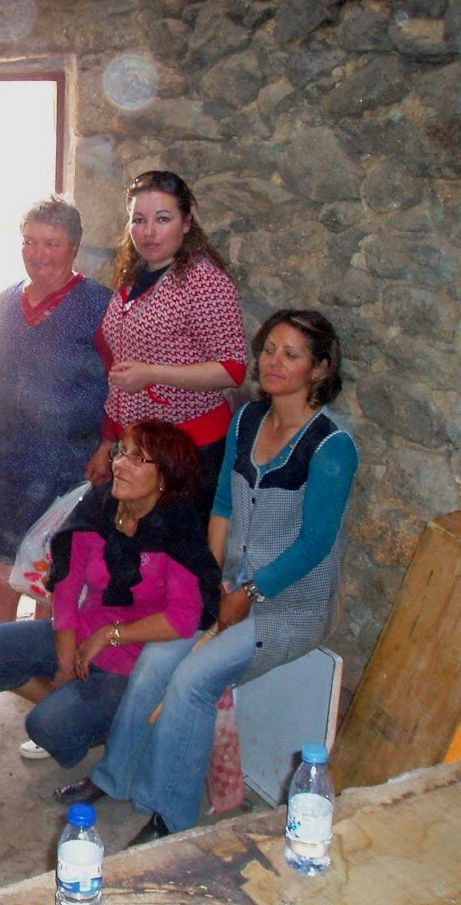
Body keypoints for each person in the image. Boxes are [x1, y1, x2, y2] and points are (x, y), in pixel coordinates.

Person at [64, 310, 359, 847]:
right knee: (155, 663)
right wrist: (212, 581)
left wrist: (249, 592)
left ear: (320, 368)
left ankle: (170, 813)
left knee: (192, 682)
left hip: (289, 604)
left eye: (291, 354)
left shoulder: (332, 446)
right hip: (231, 588)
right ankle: (114, 775)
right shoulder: (247, 420)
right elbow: (223, 502)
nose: (273, 362)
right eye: (269, 349)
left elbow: (315, 544)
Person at [0, 420, 220, 772]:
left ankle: (102, 722)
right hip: (82, 633)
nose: (119, 464)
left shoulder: (177, 530)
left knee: (45, 727)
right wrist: (66, 661)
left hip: (130, 661)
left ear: (164, 476)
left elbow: (183, 618)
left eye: (137, 458)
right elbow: (66, 587)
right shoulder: (99, 509)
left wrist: (109, 635)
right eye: (121, 452)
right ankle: (82, 716)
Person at [0, 197, 111, 635]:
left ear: (74, 248)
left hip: (70, 458)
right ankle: (0, 641)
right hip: (12, 453)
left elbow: (122, 384)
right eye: (29, 241)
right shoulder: (5, 301)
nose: (38, 253)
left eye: (52, 243)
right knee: (5, 555)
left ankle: (41, 643)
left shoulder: (99, 305)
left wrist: (109, 445)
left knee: (52, 559)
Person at [86, 170, 247, 518]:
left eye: (162, 219)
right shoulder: (135, 276)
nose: (148, 232)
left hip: (187, 450)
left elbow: (232, 369)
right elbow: (122, 367)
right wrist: (110, 442)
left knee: (174, 546)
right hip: (138, 449)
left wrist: (153, 374)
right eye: (139, 220)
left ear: (186, 223)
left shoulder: (203, 281)